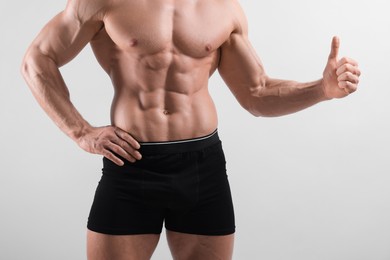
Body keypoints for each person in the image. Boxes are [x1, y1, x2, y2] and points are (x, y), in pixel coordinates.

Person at [21, 0, 361, 259]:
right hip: (131, 165)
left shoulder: (222, 8)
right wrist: (81, 131)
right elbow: (37, 59)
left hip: (202, 169)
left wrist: (321, 89)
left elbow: (257, 93)